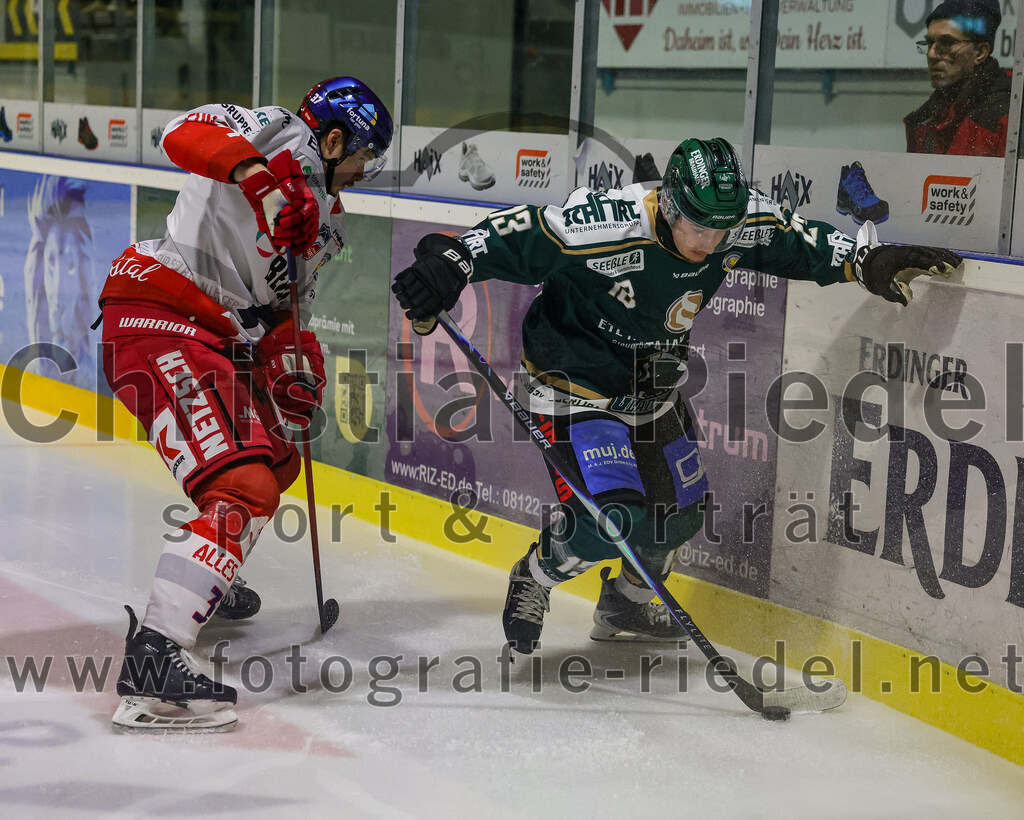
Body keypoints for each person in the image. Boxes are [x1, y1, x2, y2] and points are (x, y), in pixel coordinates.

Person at [392, 136, 962, 654]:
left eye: (720, 230)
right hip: (574, 388)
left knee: (680, 519)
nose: (708, 242)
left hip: (651, 389)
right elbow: (517, 234)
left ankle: (626, 605)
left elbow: (796, 241)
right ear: (667, 204)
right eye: (697, 227)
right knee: (611, 519)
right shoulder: (608, 221)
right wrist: (452, 262)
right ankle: (534, 576)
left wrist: (863, 260)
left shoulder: (733, 221)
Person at [99, 77, 393, 732]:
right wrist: (261, 180)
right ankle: (153, 667)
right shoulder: (273, 128)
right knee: (244, 483)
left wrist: (296, 363)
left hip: (218, 335)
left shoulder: (328, 223)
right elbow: (182, 134)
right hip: (161, 313)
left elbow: (282, 311)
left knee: (280, 460)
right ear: (334, 138)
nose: (362, 171)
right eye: (362, 156)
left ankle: (206, 576)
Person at [904, 0, 1010, 156]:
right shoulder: (927, 117)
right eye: (930, 43)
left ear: (980, 53)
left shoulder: (1006, 115)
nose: (931, 54)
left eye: (947, 43)